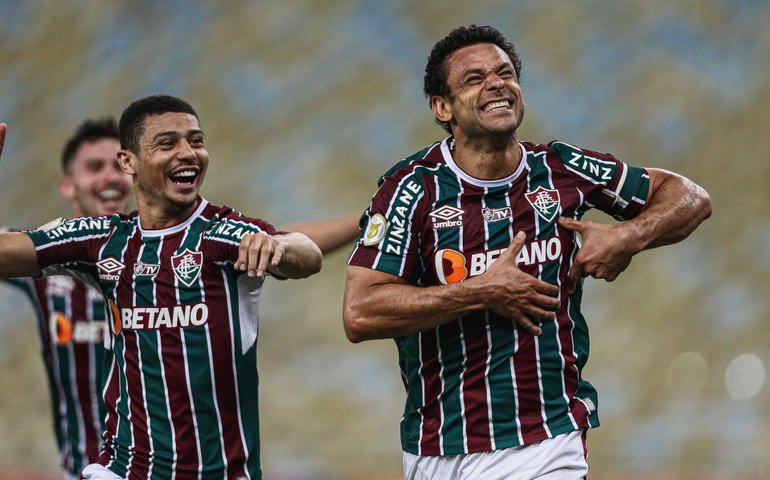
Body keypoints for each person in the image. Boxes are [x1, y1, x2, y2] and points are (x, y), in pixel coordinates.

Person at [343, 25, 711, 479]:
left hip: (548, 440)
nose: (497, 84)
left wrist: (627, 237)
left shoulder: (561, 168)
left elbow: (690, 197)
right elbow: (360, 312)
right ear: (442, 108)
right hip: (440, 448)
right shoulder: (411, 190)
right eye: (474, 79)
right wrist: (480, 291)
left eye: (506, 73)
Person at [0, 94, 324, 480]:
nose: (188, 153)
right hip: (123, 470)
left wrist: (279, 245)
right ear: (128, 162)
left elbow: (309, 255)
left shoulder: (224, 233)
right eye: (168, 143)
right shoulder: (103, 240)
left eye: (197, 141)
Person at [0, 118, 131, 480]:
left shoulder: (165, 250)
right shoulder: (41, 252)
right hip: (82, 472)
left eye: (120, 165)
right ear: (68, 186)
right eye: (94, 167)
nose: (110, 177)